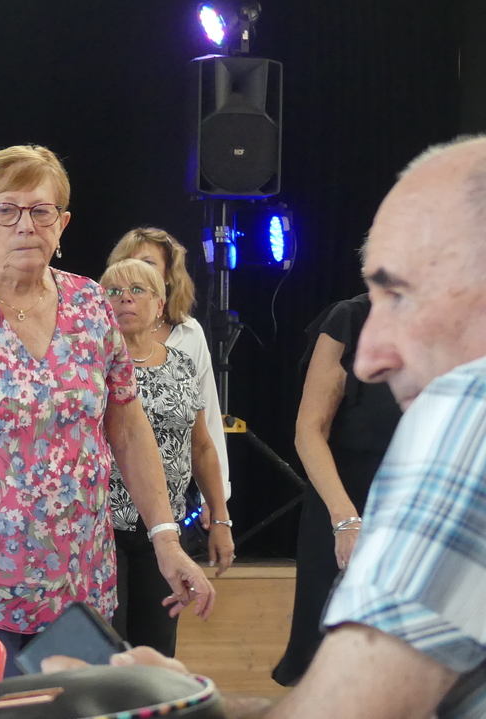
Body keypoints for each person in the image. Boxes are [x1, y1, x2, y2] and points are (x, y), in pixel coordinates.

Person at [44, 135, 486, 719]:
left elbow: (338, 712)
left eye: (400, 295)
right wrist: (192, 701)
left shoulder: (468, 420)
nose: (368, 357)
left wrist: (186, 706)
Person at [0, 145, 214, 676]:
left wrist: (166, 540)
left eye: (41, 210)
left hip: (79, 591)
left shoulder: (92, 305)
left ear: (62, 223)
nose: (25, 225)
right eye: (5, 210)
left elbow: (129, 431)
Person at [99, 259, 233, 658]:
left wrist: (220, 518)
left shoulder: (181, 363)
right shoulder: (89, 365)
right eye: (113, 292)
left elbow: (202, 446)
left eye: (138, 290)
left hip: (165, 529)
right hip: (102, 528)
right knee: (108, 650)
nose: (125, 298)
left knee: (156, 651)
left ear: (160, 305)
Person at [270, 293, 401, 685]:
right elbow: (309, 431)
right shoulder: (351, 318)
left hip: (422, 508)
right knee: (331, 663)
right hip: (345, 503)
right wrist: (345, 520)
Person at [107, 227, 229, 519]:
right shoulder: (97, 339)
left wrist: (216, 500)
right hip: (108, 508)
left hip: (169, 506)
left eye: (147, 263)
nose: (135, 271)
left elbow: (206, 425)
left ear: (168, 276)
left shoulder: (189, 333)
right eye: (127, 262)